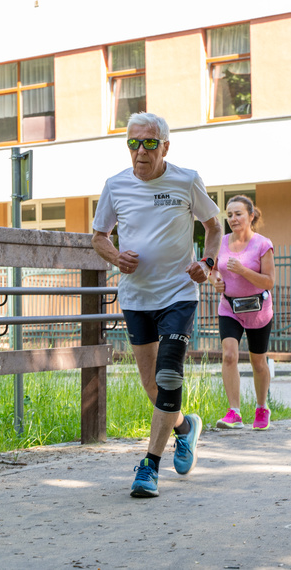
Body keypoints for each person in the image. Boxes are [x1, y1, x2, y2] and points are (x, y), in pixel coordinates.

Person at [92, 112, 223, 498]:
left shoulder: (185, 179)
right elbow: (99, 236)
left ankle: (149, 466)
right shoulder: (115, 186)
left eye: (149, 143)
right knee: (151, 384)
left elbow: (215, 227)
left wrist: (208, 263)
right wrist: (116, 258)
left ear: (165, 146)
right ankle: (185, 428)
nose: (140, 151)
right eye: (133, 143)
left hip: (178, 294)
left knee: (168, 377)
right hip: (136, 297)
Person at [210, 195, 276, 431]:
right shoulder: (221, 242)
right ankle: (234, 412)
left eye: (238, 214)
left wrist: (243, 270)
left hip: (258, 310)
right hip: (230, 307)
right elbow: (213, 269)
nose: (233, 219)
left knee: (258, 361)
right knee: (229, 355)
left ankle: (262, 408)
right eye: (229, 215)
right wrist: (215, 281)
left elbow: (269, 282)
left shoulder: (262, 244)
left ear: (251, 216)